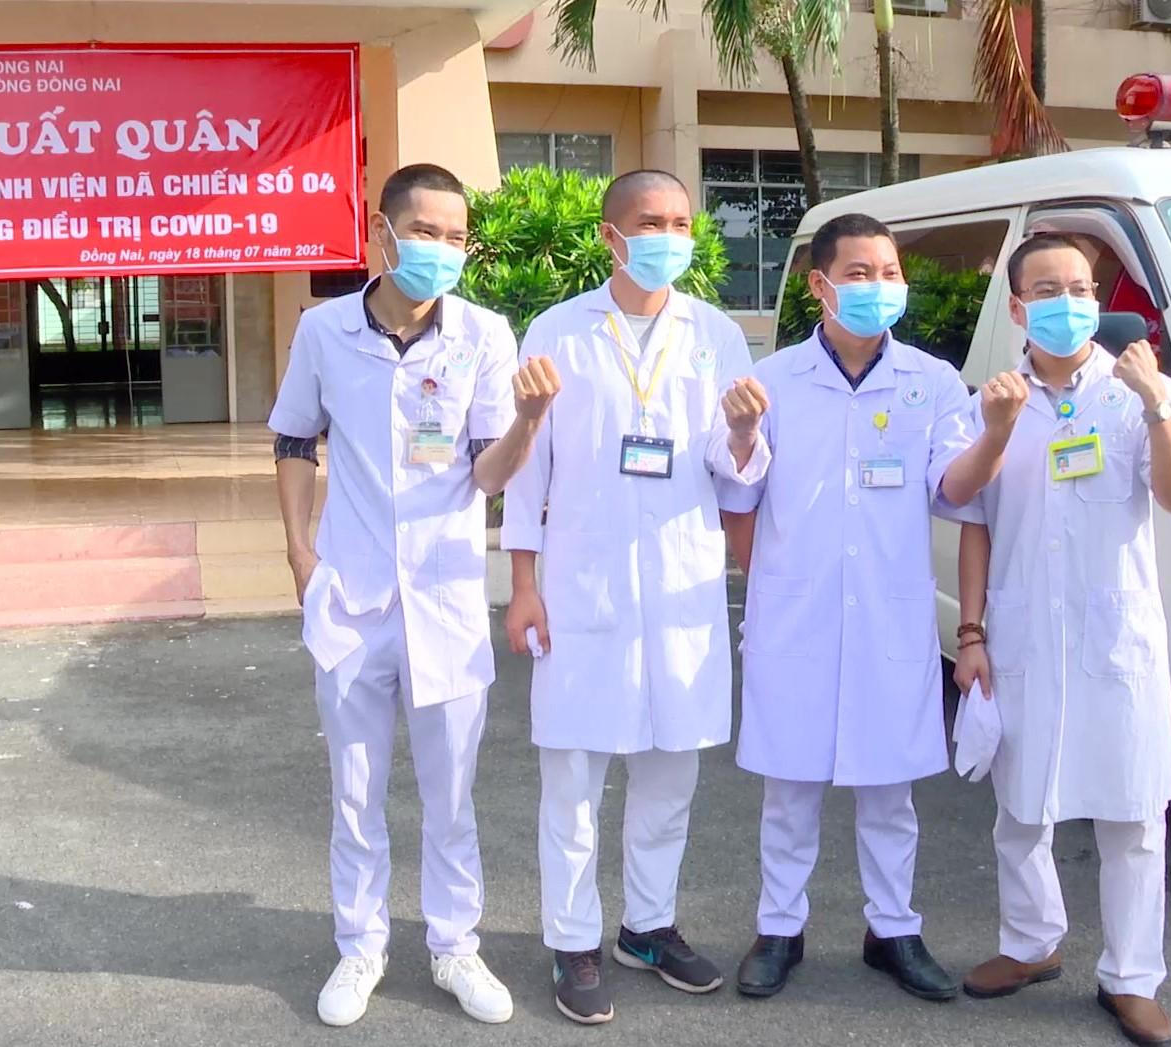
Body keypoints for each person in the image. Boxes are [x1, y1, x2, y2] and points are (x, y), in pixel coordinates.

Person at [269, 163, 561, 1028]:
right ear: (382, 234)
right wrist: (299, 552)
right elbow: (294, 439)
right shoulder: (324, 331)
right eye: (425, 232)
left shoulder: (484, 334)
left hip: (445, 596)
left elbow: (488, 473)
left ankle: (454, 946)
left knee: (450, 793)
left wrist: (529, 420)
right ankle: (360, 945)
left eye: (455, 235)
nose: (441, 249)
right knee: (355, 791)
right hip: (351, 598)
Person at [718, 213, 1030, 1002]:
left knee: (891, 791)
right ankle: (778, 927)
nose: (879, 286)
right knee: (790, 789)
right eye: (860, 273)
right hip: (796, 617)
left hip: (889, 616)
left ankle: (893, 929)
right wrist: (744, 433)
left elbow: (953, 488)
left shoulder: (932, 381)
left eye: (890, 272)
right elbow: (739, 495)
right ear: (820, 285)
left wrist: (994, 436)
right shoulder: (774, 380)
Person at [502, 169, 756, 1025]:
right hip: (584, 589)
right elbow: (528, 470)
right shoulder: (558, 330)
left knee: (669, 773)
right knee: (573, 781)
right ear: (611, 236)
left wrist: (746, 433)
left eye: (681, 223)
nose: (668, 237)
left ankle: (647, 926)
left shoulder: (716, 333)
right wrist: (523, 585)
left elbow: (736, 471)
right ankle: (573, 941)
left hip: (681, 592)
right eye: (651, 222)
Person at [951, 234, 1171, 1047]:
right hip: (1023, 632)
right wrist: (970, 631)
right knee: (1020, 804)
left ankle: (1132, 977)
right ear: (1018, 306)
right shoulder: (994, 400)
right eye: (1047, 290)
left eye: (1080, 288)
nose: (1068, 302)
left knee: (1134, 813)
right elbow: (972, 520)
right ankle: (1031, 942)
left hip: (1115, 638)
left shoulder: (1139, 390)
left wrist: (1156, 400)